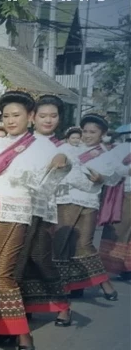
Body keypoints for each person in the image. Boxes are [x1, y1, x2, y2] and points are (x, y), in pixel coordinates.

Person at [0, 90, 67, 350]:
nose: (10, 120)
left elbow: (48, 182)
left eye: (16, 115)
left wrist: (62, 165)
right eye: (6, 115)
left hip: (17, 213)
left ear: (30, 117)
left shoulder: (42, 146)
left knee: (2, 274)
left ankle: (22, 334)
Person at [54, 113, 121, 302]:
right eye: (85, 131)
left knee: (84, 244)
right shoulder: (71, 149)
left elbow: (115, 177)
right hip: (68, 199)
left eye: (93, 132)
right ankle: (69, 285)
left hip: (90, 201)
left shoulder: (107, 153)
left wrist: (101, 179)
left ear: (103, 133)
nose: (88, 135)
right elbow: (64, 171)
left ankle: (91, 282)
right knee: (64, 243)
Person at [21, 94, 73, 325]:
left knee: (40, 257)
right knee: (20, 260)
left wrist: (63, 159)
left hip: (42, 211)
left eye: (53, 116)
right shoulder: (21, 142)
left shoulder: (63, 147)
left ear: (60, 119)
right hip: (17, 208)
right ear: (32, 117)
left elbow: (69, 166)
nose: (48, 120)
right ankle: (27, 304)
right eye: (43, 116)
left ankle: (62, 304)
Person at [98, 140, 131, 280]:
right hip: (126, 191)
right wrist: (125, 171)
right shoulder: (123, 148)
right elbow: (110, 165)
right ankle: (118, 264)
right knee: (121, 229)